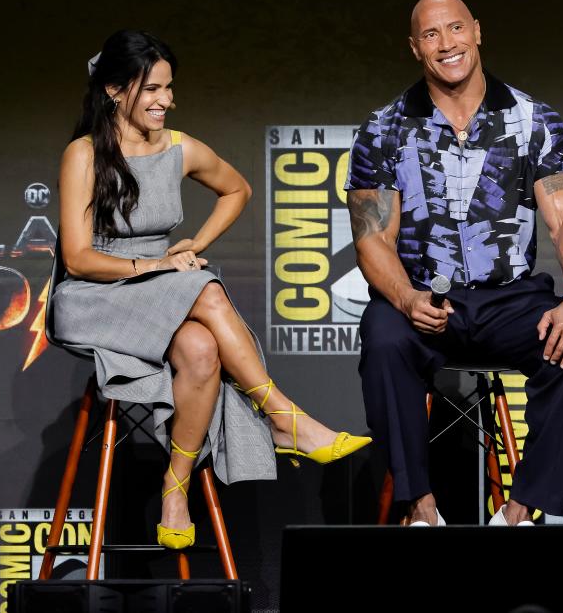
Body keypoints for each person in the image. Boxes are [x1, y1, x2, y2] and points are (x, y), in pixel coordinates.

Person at [50, 30, 370, 549]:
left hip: (160, 284)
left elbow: (237, 188)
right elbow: (78, 258)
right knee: (207, 289)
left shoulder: (178, 147)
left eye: (169, 88)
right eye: (152, 89)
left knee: (201, 350)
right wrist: (154, 267)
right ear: (114, 90)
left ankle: (174, 492)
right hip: (94, 294)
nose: (166, 101)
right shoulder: (83, 155)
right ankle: (284, 417)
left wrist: (193, 241)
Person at [346, 0, 563, 526]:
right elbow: (372, 238)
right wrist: (406, 297)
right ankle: (421, 510)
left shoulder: (536, 120)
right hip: (422, 298)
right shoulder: (382, 129)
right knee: (384, 334)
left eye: (456, 29)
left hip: (509, 298)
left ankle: (519, 511)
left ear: (478, 32)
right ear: (415, 47)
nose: (448, 44)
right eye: (432, 35)